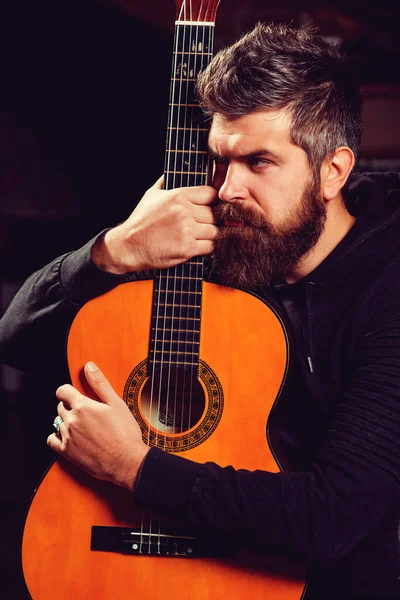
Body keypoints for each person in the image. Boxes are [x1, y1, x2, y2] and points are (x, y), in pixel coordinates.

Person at [1, 22, 400, 600]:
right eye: (219, 159)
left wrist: (134, 467)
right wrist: (115, 249)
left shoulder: (387, 286)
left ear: (333, 171)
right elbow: (16, 341)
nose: (227, 189)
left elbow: (331, 516)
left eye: (258, 162)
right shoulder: (212, 246)